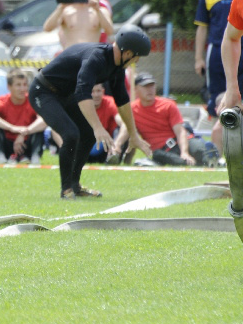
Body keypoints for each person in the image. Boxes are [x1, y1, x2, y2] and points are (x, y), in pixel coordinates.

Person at [29, 24, 153, 199]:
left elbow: (123, 102)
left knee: (87, 134)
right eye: (137, 57)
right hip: (43, 91)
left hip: (65, 94)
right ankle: (67, 190)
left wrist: (133, 134)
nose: (136, 62)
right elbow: (82, 93)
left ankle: (75, 186)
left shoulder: (117, 67)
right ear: (127, 53)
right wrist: (98, 127)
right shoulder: (96, 58)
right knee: (71, 134)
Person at [117, 72, 218, 167]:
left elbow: (180, 131)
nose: (150, 89)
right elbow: (127, 129)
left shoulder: (167, 105)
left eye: (152, 85)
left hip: (182, 142)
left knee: (199, 148)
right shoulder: (132, 109)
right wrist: (117, 146)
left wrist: (184, 152)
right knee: (168, 158)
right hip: (163, 151)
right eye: (145, 86)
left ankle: (211, 158)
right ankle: (197, 162)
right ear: (135, 89)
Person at [195, 0, 242, 119]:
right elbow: (202, 28)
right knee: (216, 94)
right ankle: (216, 128)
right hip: (216, 49)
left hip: (239, 48)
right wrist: (198, 58)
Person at [0, 69, 47, 164]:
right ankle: (1, 157)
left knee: (38, 129)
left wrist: (25, 131)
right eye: (18, 85)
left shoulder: (33, 101)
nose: (22, 89)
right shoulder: (2, 101)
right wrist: (12, 128)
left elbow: (44, 120)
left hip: (26, 143)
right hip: (7, 144)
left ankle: (34, 158)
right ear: (9, 87)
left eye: (25, 84)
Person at [43, 0, 114, 49]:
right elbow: (47, 28)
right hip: (72, 54)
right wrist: (61, 7)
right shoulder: (66, 11)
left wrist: (97, 9)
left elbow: (110, 32)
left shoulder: (100, 10)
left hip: (90, 54)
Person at [87, 83, 123, 163]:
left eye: (98, 91)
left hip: (108, 142)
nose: (96, 95)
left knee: (122, 130)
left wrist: (117, 143)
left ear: (103, 91)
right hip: (90, 141)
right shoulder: (81, 105)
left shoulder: (110, 102)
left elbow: (123, 124)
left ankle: (115, 155)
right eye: (92, 91)